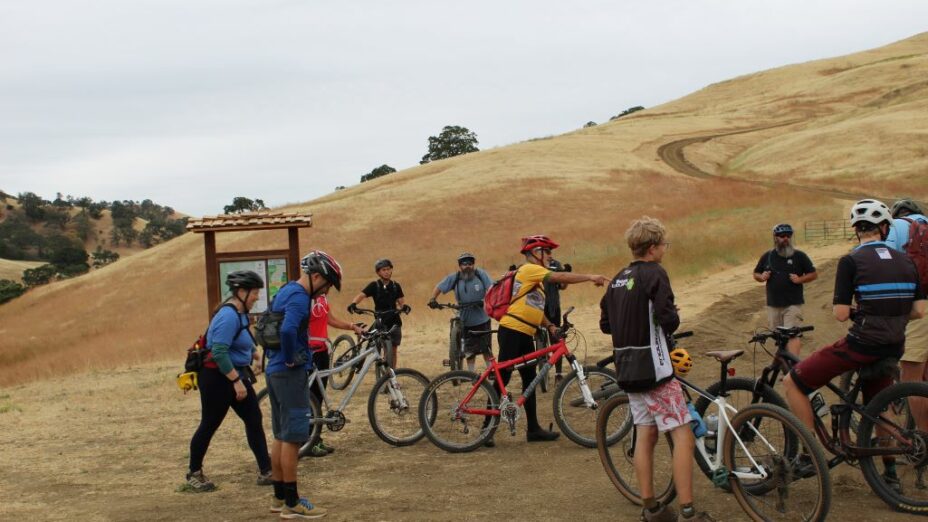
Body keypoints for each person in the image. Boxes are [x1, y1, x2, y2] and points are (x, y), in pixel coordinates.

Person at [783, 199, 925, 491]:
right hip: (894, 343)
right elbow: (919, 310)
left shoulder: (851, 261)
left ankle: (810, 455)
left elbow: (840, 314)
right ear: (884, 228)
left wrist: (867, 313)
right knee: (880, 405)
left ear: (856, 230)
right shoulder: (906, 261)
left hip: (862, 342)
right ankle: (890, 476)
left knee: (793, 382)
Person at [600, 217, 711, 522]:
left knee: (646, 435)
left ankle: (651, 507)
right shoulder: (655, 274)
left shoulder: (619, 278)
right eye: (664, 244)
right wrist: (669, 316)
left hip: (627, 371)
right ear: (652, 247)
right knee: (682, 434)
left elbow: (605, 324)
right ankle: (688, 511)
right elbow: (669, 319)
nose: (665, 249)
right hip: (657, 371)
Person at [494, 235, 609, 443]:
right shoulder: (529, 269)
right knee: (503, 376)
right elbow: (559, 278)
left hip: (525, 332)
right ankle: (487, 429)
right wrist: (590, 277)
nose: (550, 256)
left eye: (549, 252)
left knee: (530, 379)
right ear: (534, 254)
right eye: (546, 252)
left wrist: (550, 326)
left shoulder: (535, 279)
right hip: (512, 330)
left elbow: (534, 307)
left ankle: (533, 429)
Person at [266, 251, 343, 519]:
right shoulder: (300, 297)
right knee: (293, 438)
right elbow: (287, 330)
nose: (328, 289)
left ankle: (278, 497)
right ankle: (292, 502)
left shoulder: (287, 290)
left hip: (273, 370)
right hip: (289, 373)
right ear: (317, 276)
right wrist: (290, 359)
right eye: (328, 284)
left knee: (280, 434)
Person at [186, 270, 272, 492]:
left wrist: (253, 353)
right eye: (254, 293)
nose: (256, 298)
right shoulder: (228, 315)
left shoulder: (240, 313)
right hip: (217, 377)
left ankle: (266, 470)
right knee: (210, 424)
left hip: (234, 373)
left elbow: (240, 338)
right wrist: (236, 381)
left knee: (253, 418)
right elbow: (219, 352)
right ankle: (194, 473)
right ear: (242, 292)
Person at [884, 199, 928, 439]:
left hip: (918, 306)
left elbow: (883, 264)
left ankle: (922, 441)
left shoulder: (895, 227)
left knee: (911, 379)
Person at [304, 288, 365, 458]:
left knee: (319, 397)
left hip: (323, 351)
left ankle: (315, 438)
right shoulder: (305, 298)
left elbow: (330, 319)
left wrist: (352, 326)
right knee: (312, 398)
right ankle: (307, 442)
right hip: (311, 352)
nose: (330, 287)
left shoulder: (322, 298)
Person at [752, 223, 818, 357]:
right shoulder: (768, 256)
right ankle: (783, 364)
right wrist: (762, 277)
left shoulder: (799, 256)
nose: (786, 238)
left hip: (793, 303)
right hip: (773, 304)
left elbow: (813, 274)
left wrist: (800, 279)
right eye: (782, 236)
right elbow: (756, 273)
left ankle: (792, 367)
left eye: (788, 235)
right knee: (778, 337)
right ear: (775, 238)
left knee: (792, 334)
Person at [428, 252, 494, 372]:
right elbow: (440, 287)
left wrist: (486, 300)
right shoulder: (455, 278)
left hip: (482, 318)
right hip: (465, 319)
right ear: (460, 266)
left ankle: (491, 372)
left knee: (486, 348)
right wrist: (433, 299)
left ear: (473, 265)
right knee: (469, 351)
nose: (467, 266)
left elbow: (491, 288)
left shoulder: (480, 274)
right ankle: (470, 374)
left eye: (470, 263)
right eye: (464, 264)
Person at [348, 258, 409, 369]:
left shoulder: (396, 286)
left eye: (388, 269)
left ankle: (391, 375)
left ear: (391, 270)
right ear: (378, 272)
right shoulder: (374, 285)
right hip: (381, 320)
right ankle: (361, 359)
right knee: (380, 345)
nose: (386, 272)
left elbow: (401, 301)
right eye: (383, 270)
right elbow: (361, 295)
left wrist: (404, 307)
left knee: (393, 350)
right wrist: (353, 303)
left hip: (395, 321)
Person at [543, 258, 571, 383]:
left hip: (553, 306)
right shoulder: (533, 265)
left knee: (556, 338)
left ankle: (558, 373)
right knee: (536, 337)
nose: (548, 253)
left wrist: (567, 274)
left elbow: (563, 285)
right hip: (538, 306)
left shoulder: (555, 264)